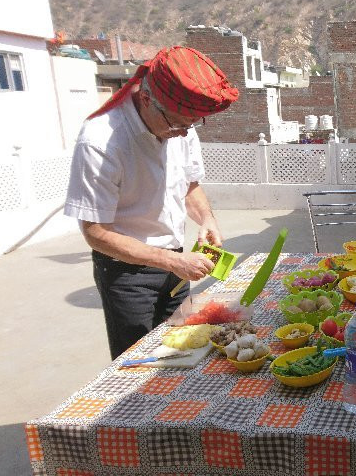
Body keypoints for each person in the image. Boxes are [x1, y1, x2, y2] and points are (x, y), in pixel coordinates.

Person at [64, 46, 239, 359]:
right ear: (146, 99)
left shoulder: (180, 127)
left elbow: (189, 185)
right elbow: (95, 232)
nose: (184, 131)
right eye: (177, 123)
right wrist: (170, 261)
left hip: (175, 264)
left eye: (193, 123)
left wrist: (206, 218)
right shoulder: (102, 141)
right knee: (140, 362)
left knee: (186, 350)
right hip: (127, 274)